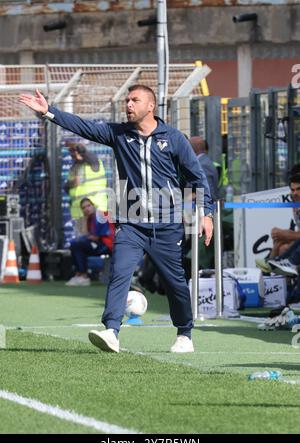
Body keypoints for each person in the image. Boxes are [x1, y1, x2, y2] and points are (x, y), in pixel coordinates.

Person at [19, 84, 213, 354]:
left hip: (167, 225)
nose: (129, 104)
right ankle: (111, 331)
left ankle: (184, 333)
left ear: (151, 106)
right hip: (131, 223)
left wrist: (207, 214)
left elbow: (196, 177)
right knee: (119, 273)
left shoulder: (174, 138)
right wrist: (49, 112)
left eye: (135, 100)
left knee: (175, 282)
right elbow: (83, 127)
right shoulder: (119, 134)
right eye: (127, 100)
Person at [256, 173, 300, 273]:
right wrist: (281, 239)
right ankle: (274, 265)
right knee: (281, 246)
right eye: (293, 190)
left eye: (298, 189)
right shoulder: (295, 205)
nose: (295, 193)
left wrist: (287, 234)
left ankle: (280, 263)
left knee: (285, 246)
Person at [66, 197, 114, 287]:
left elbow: (96, 237)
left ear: (93, 206)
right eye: (83, 208)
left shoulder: (100, 215)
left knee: (78, 245)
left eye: (88, 206)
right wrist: (85, 219)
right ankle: (79, 274)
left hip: (108, 245)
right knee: (75, 244)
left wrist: (87, 237)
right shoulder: (90, 219)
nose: (86, 209)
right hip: (99, 244)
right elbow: (86, 234)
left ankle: (83, 276)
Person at [65, 142, 108, 221]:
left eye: (76, 151)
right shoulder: (74, 168)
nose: (74, 154)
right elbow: (67, 188)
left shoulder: (93, 163)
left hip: (97, 211)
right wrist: (72, 183)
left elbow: (88, 155)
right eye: (72, 152)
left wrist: (78, 146)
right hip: (79, 215)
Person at [189, 136, 219, 201]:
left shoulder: (203, 165)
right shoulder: (201, 162)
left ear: (195, 148)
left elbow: (208, 193)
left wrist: (187, 198)